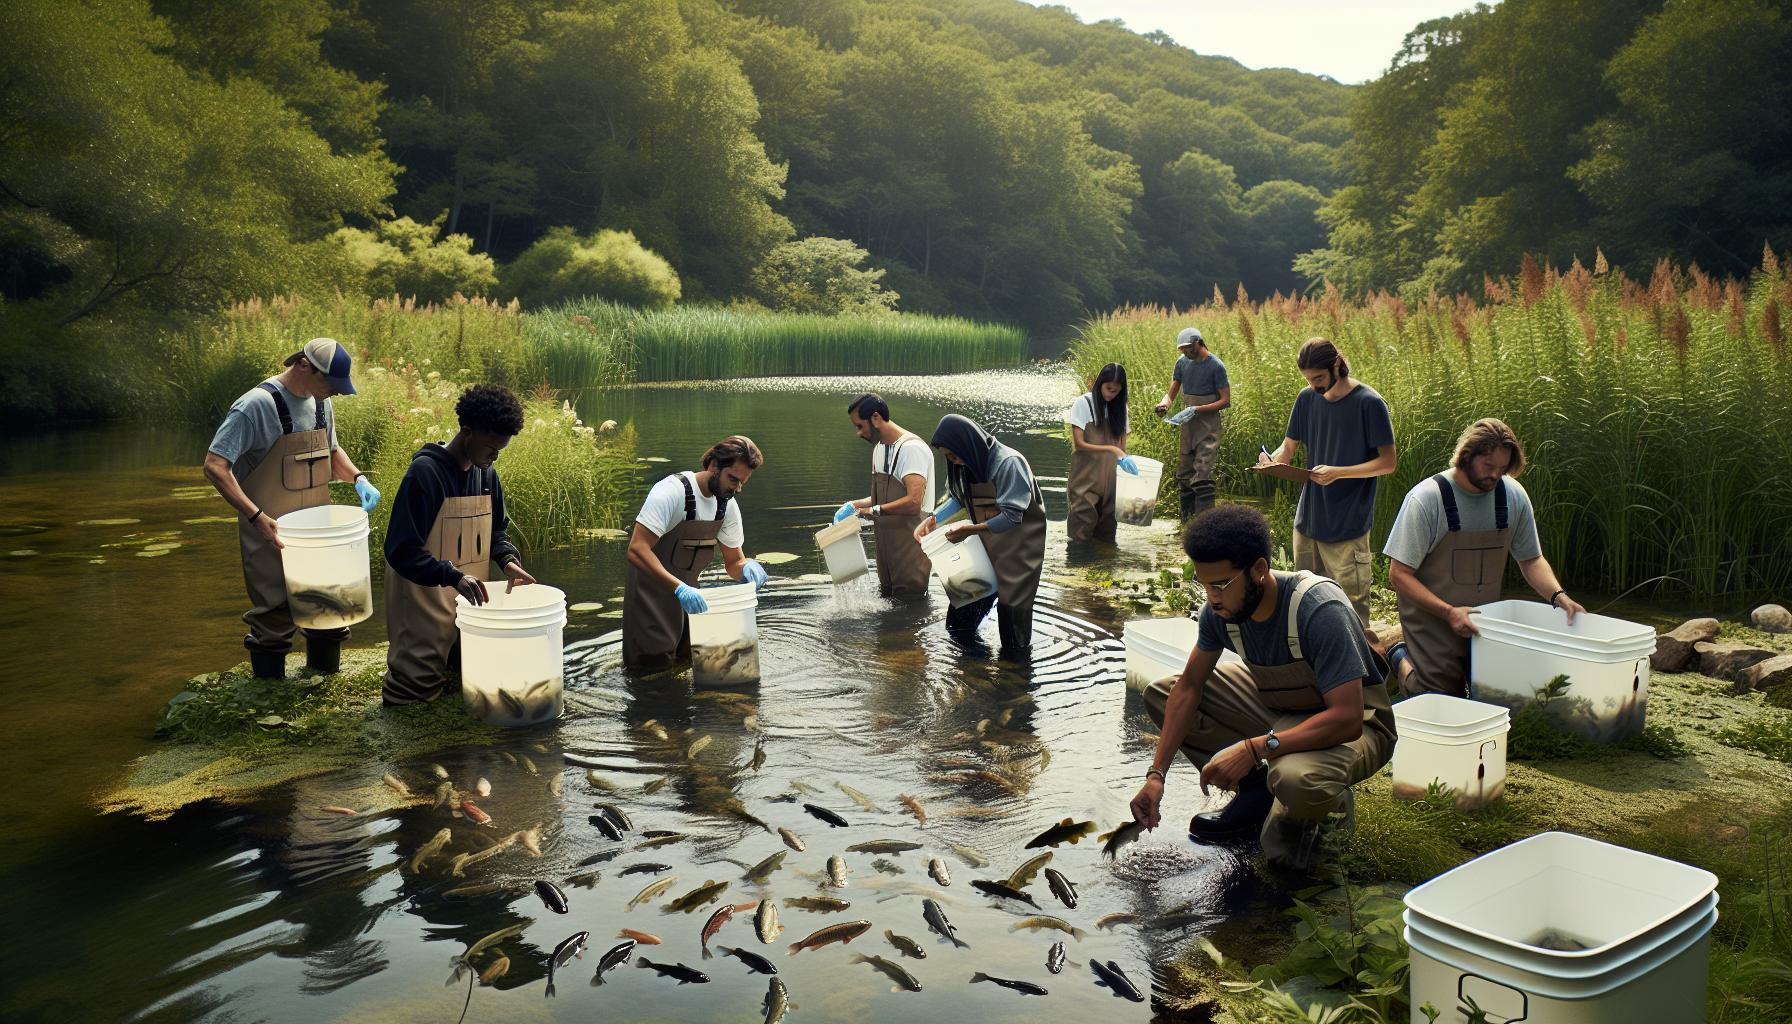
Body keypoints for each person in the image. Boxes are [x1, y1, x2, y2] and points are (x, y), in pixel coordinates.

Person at [1131, 504, 1396, 870]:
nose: (1211, 597)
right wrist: (1156, 776)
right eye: (1203, 584)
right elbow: (1189, 688)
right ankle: (1257, 792)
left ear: (1259, 570)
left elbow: (1347, 718)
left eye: (1221, 584)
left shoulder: (1318, 608)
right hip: (1285, 708)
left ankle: (1321, 823)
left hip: (1357, 722)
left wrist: (1255, 748)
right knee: (1162, 693)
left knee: (1297, 780)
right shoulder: (1221, 611)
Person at [203, 337, 379, 679]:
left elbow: (331, 451)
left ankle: (322, 682)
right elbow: (214, 465)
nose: (337, 393)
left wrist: (358, 478)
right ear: (304, 366)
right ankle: (268, 694)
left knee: (329, 606)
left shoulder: (321, 403)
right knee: (273, 615)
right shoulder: (254, 406)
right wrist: (255, 517)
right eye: (332, 384)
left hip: (318, 533)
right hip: (270, 531)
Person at [1384, 418, 1585, 697]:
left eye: (1502, 469)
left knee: (1498, 697)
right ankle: (1398, 655)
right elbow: (1399, 575)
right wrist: (1448, 612)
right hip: (1432, 618)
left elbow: (1530, 560)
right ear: (1466, 457)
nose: (1495, 475)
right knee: (1441, 700)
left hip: (1484, 619)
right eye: (1489, 467)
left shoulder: (1513, 495)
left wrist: (1558, 596)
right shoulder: (1427, 499)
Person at [381, 384, 535, 705]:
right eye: (492, 448)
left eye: (500, 451)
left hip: (467, 606)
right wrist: (452, 575)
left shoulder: (487, 475)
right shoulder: (425, 475)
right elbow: (400, 549)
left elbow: (495, 534)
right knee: (414, 692)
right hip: (422, 606)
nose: (495, 457)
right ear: (467, 432)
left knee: (463, 687)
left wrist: (507, 559)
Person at [1257, 337, 1396, 626]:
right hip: (1308, 521)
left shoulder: (1369, 403)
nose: (1314, 386)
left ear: (1337, 365)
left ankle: (1361, 668)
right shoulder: (1306, 398)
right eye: (1308, 379)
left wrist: (1338, 472)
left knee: (1352, 609)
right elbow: (1289, 447)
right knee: (1306, 600)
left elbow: (1388, 463)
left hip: (1348, 524)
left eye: (1318, 378)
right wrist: (1274, 460)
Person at [623, 436, 769, 668]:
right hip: (650, 599)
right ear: (713, 465)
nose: (737, 488)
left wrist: (746, 568)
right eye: (733, 479)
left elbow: (734, 562)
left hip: (692, 600)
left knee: (688, 664)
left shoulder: (726, 505)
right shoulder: (671, 493)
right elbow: (637, 548)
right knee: (651, 673)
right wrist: (679, 588)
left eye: (742, 483)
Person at [915, 415, 1047, 653]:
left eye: (953, 455)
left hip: (1019, 555)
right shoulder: (965, 466)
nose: (953, 462)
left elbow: (1012, 517)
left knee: (1012, 636)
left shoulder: (1009, 463)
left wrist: (969, 530)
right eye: (948, 458)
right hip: (985, 550)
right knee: (958, 625)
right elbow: (958, 498)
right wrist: (932, 519)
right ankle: (972, 675)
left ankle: (1015, 682)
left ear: (966, 445)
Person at [833, 394, 935, 598]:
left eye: (860, 426)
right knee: (889, 607)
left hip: (910, 549)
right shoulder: (879, 449)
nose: (858, 433)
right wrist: (855, 505)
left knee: (911, 607)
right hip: (886, 552)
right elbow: (884, 497)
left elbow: (913, 502)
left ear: (876, 418)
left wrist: (874, 511)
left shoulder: (911, 449)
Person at [1154, 327, 1229, 521]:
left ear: (1198, 343)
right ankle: (1186, 522)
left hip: (1208, 425)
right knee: (1184, 473)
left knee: (1203, 473)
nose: (1186, 353)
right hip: (1188, 425)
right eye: (1183, 350)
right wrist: (1164, 404)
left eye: (1189, 348)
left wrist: (1198, 408)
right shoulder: (1182, 363)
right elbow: (1171, 392)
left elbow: (1225, 400)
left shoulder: (1216, 366)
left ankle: (1205, 524)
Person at [1065, 363, 1140, 542]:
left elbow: (1122, 448)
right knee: (1080, 532)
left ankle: (1106, 566)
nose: (1109, 394)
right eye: (1107, 388)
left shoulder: (1121, 408)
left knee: (1107, 533)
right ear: (1099, 384)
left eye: (1115, 391)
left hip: (1111, 479)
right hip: (1085, 478)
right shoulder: (1083, 403)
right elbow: (1079, 444)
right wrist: (1112, 449)